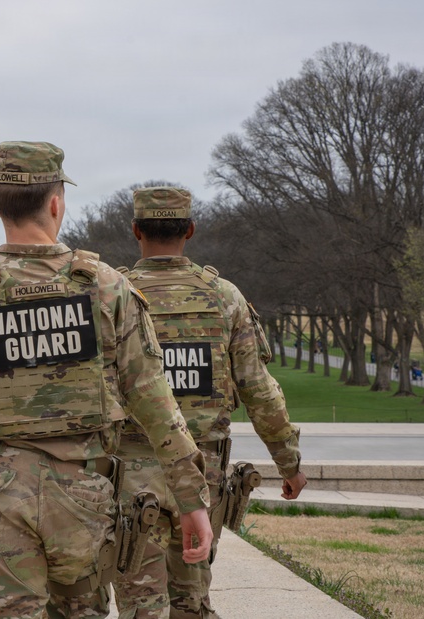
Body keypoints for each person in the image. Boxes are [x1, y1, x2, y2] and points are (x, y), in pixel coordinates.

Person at [0, 142, 212, 619]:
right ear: (55, 202)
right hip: (84, 494)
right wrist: (190, 498)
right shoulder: (107, 287)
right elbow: (155, 402)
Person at [111, 186, 307, 618]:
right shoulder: (225, 297)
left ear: (135, 231)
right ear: (191, 230)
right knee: (191, 600)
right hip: (203, 472)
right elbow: (258, 390)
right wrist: (288, 462)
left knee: (140, 605)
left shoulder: (113, 296)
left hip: (131, 473)